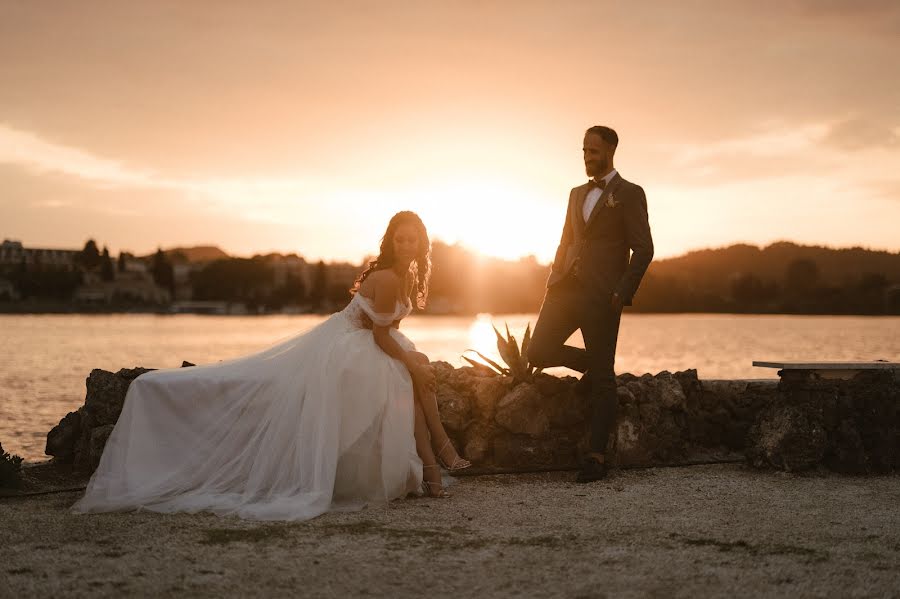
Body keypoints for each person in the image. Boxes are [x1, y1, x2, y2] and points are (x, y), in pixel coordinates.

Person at [73, 211, 469, 521]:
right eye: (398, 238)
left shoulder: (408, 276)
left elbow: (390, 331)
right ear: (391, 241)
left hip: (368, 340)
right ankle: (440, 459)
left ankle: (437, 466)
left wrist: (414, 361)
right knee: (408, 374)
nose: (404, 244)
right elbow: (382, 337)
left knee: (414, 371)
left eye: (411, 239)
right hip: (347, 345)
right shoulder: (384, 277)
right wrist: (412, 363)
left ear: (421, 244)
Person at [528, 125, 654, 483]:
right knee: (537, 351)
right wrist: (553, 279)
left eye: (593, 150)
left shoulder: (629, 193)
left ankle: (596, 457)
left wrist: (621, 291)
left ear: (611, 149)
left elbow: (644, 248)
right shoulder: (574, 193)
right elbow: (565, 241)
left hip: (603, 296)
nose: (587, 156)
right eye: (584, 150)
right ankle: (596, 367)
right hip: (564, 289)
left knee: (602, 382)